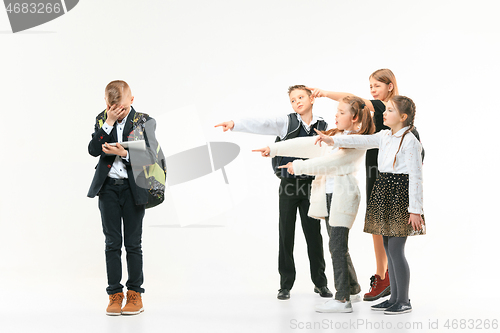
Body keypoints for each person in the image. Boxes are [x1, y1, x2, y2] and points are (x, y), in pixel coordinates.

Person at [307, 68, 424, 301]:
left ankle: (389, 282)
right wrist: (332, 138)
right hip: (378, 171)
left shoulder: (390, 108)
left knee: (391, 239)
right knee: (380, 231)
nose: (372, 91)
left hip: (392, 180)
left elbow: (354, 100)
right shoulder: (386, 129)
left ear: (390, 86)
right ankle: (386, 280)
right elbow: (360, 138)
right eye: (370, 85)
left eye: (376, 85)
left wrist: (325, 93)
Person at [254, 96, 375, 312]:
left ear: (354, 117)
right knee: (339, 246)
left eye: (341, 112)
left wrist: (299, 167)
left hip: (342, 198)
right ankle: (353, 290)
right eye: (336, 111)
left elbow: (332, 162)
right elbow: (308, 144)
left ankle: (342, 300)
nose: (335, 115)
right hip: (329, 197)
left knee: (336, 248)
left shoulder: (356, 141)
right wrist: (274, 149)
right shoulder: (336, 135)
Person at [215, 85, 332, 300]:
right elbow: (262, 123)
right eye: (293, 100)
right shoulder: (287, 122)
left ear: (312, 99)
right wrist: (235, 124)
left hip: (312, 185)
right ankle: (285, 285)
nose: (297, 102)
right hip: (288, 184)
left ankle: (320, 283)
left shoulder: (323, 125)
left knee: (314, 235)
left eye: (300, 97)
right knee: (286, 234)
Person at [88, 80, 159, 316]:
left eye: (123, 109)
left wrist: (125, 153)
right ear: (107, 105)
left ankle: (135, 293)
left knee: (133, 243)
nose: (119, 113)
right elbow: (93, 149)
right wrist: (108, 122)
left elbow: (151, 155)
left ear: (132, 101)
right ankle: (114, 294)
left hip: (133, 189)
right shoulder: (102, 118)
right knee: (112, 243)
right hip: (107, 188)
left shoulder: (145, 120)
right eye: (113, 109)